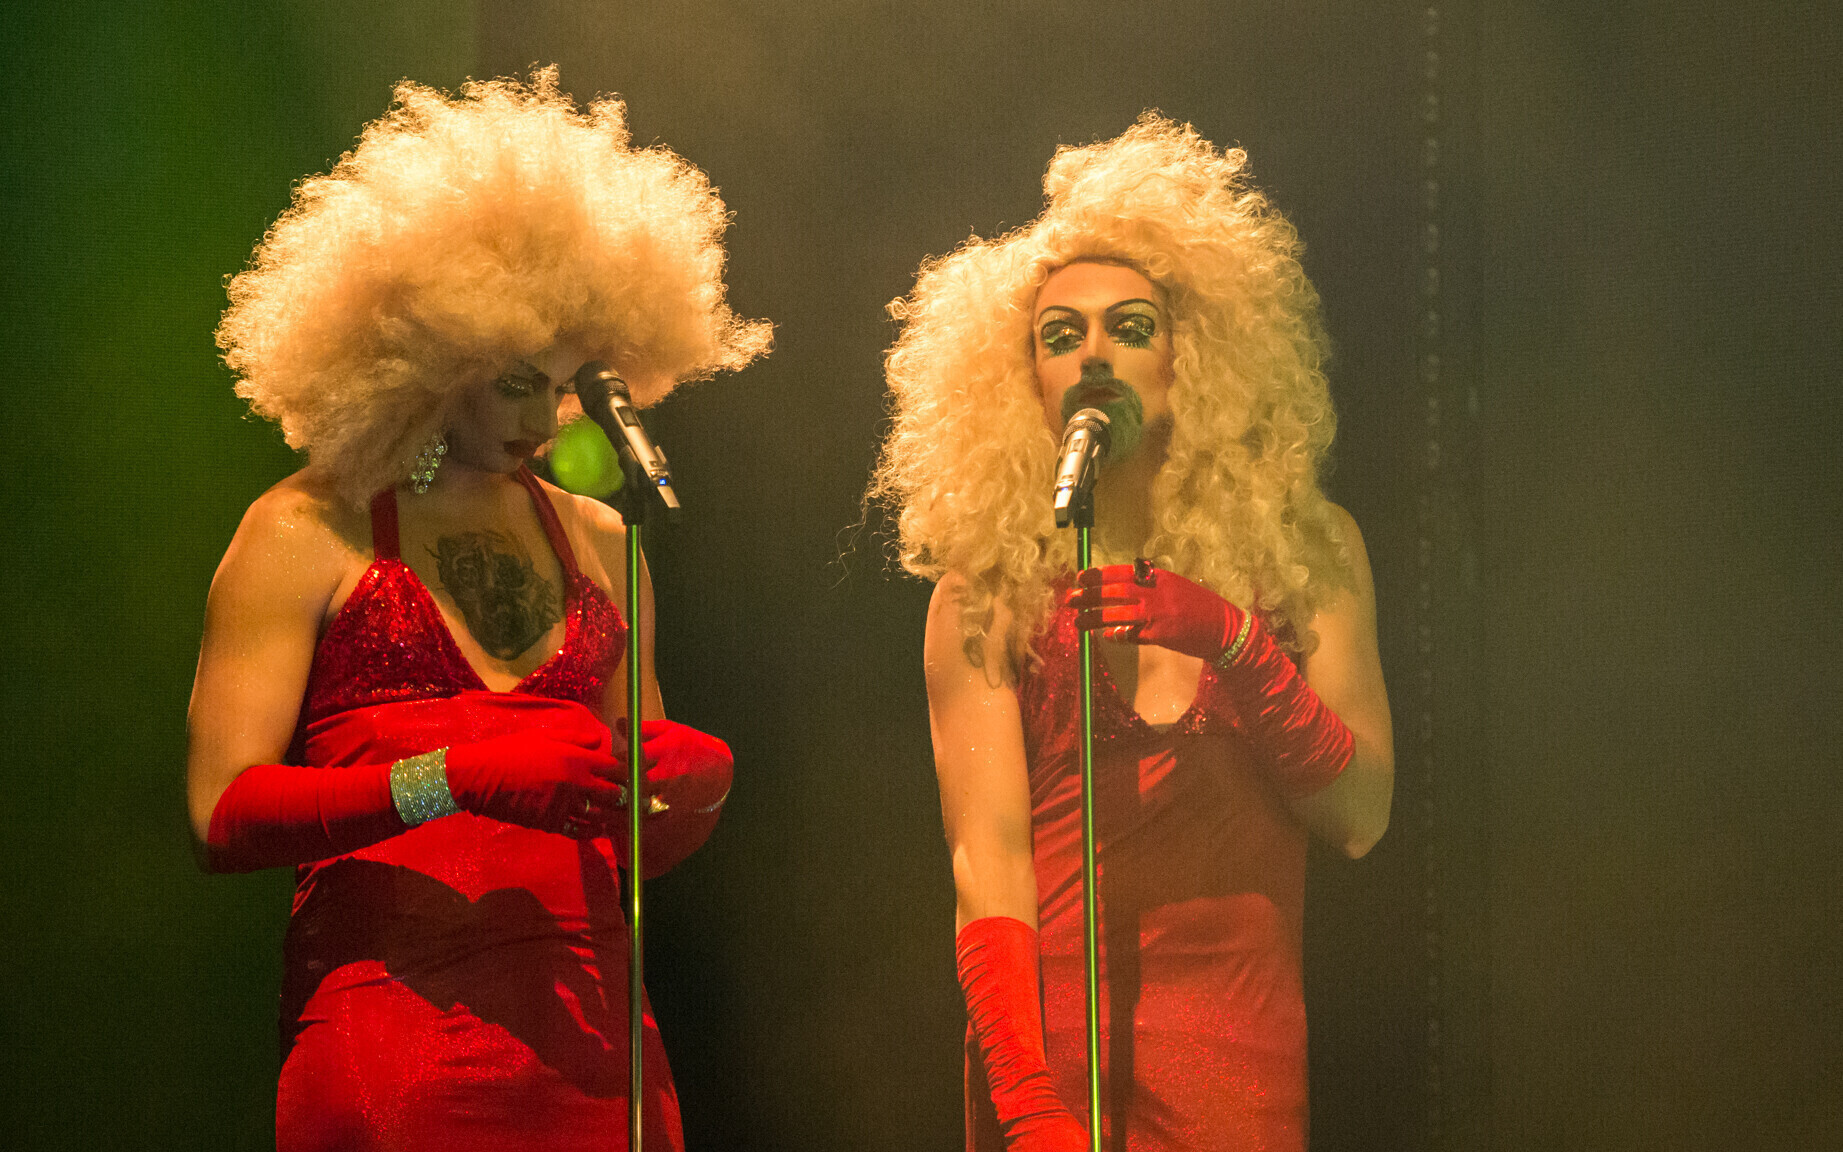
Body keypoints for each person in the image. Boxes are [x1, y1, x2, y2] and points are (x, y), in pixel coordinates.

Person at [188, 71, 769, 1152]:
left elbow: (630, 832)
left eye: (565, 383)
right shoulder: (305, 527)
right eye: (513, 380)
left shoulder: (604, 540)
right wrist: (450, 778)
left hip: (597, 1053)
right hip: (392, 1049)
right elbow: (221, 814)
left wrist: (691, 795)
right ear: (429, 356)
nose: (545, 416)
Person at [872, 115, 1394, 1151]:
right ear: (1024, 381)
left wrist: (1235, 643)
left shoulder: (1308, 549)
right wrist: (1024, 1100)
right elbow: (987, 864)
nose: (1095, 353)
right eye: (1060, 336)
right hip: (1053, 1064)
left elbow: (1359, 814)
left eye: (1130, 326)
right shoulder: (988, 591)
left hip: (1236, 1066)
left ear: (1190, 357)